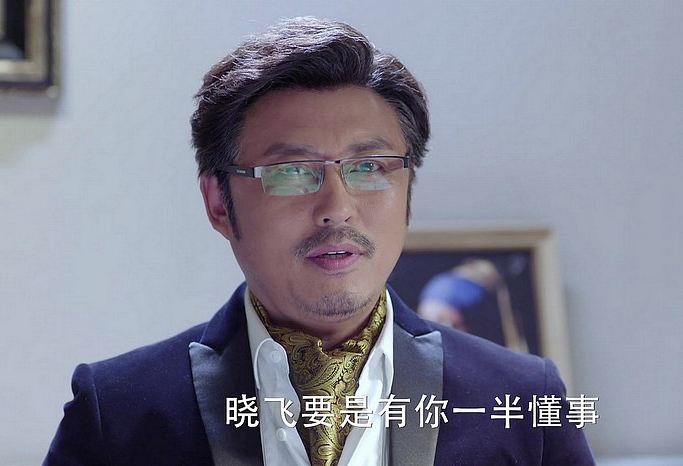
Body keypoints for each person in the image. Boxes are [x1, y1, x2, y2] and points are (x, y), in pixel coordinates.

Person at [44, 17, 594, 465]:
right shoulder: (116, 411)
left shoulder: (524, 401)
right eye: (290, 172)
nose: (337, 207)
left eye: (370, 166)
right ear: (218, 203)